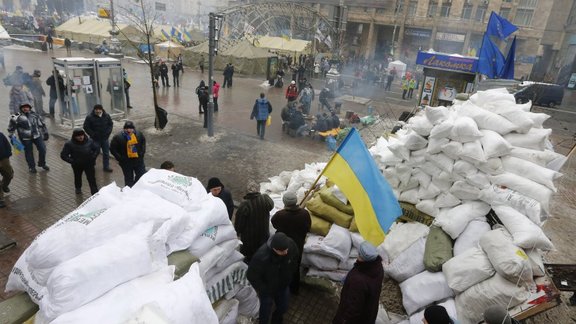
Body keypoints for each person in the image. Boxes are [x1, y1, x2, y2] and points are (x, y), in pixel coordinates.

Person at [247, 232, 299, 324]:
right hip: (268, 289)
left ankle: (277, 320)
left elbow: (295, 259)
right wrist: (264, 289)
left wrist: (289, 276)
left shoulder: (290, 245)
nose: (286, 252)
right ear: (274, 249)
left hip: (283, 286)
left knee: (283, 307)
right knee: (265, 310)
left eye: (286, 249)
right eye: (282, 251)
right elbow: (251, 275)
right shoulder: (261, 256)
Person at [333, 241, 384, 324]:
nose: (357, 255)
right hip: (369, 313)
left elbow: (353, 309)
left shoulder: (358, 281)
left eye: (359, 254)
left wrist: (343, 321)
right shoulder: (378, 268)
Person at [271, 192, 311, 294]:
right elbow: (308, 228)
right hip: (298, 244)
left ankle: (280, 288)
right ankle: (294, 289)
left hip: (284, 245)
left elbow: (274, 223)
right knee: (295, 266)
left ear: (285, 203)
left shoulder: (280, 215)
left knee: (281, 266)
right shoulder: (305, 214)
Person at [234, 179, 274, 262]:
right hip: (263, 233)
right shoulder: (264, 199)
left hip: (249, 238)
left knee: (249, 257)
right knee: (262, 254)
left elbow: (239, 223)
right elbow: (271, 205)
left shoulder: (245, 205)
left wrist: (237, 232)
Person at [8, 103, 49, 173]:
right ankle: (31, 167)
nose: (25, 108)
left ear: (30, 108)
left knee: (43, 149)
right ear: (21, 108)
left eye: (27, 107)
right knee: (28, 152)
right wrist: (13, 137)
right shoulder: (15, 116)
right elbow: (10, 128)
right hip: (25, 138)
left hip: (37, 135)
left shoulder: (35, 114)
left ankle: (42, 163)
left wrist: (45, 133)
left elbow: (42, 124)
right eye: (23, 107)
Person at [60, 129, 99, 195]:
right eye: (78, 136)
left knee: (92, 179)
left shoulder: (89, 141)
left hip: (89, 164)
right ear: (74, 136)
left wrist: (93, 157)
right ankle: (78, 188)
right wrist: (73, 161)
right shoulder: (69, 144)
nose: (81, 137)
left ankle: (95, 193)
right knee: (77, 177)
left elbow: (96, 149)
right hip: (77, 165)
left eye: (82, 135)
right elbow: (63, 155)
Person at [110, 121, 147, 187]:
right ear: (124, 129)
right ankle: (129, 191)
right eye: (126, 128)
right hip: (126, 162)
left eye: (130, 128)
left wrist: (142, 153)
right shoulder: (118, 137)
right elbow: (112, 149)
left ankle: (135, 186)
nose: (128, 130)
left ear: (133, 129)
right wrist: (120, 158)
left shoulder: (138, 134)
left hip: (138, 160)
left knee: (141, 175)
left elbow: (143, 142)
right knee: (129, 180)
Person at [83, 104, 114, 172]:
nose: (97, 111)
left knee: (106, 153)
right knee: (94, 153)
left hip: (104, 139)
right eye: (96, 109)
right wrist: (92, 134)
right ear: (94, 110)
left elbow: (110, 124)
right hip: (95, 139)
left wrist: (108, 133)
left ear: (102, 109)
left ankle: (106, 167)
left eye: (99, 109)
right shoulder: (89, 117)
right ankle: (91, 165)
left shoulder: (106, 116)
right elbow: (86, 127)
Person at [0, 132, 14, 208]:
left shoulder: (0, 135)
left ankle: (4, 185)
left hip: (4, 159)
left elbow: (7, 145)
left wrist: (7, 155)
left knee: (9, 175)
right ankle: (1, 200)